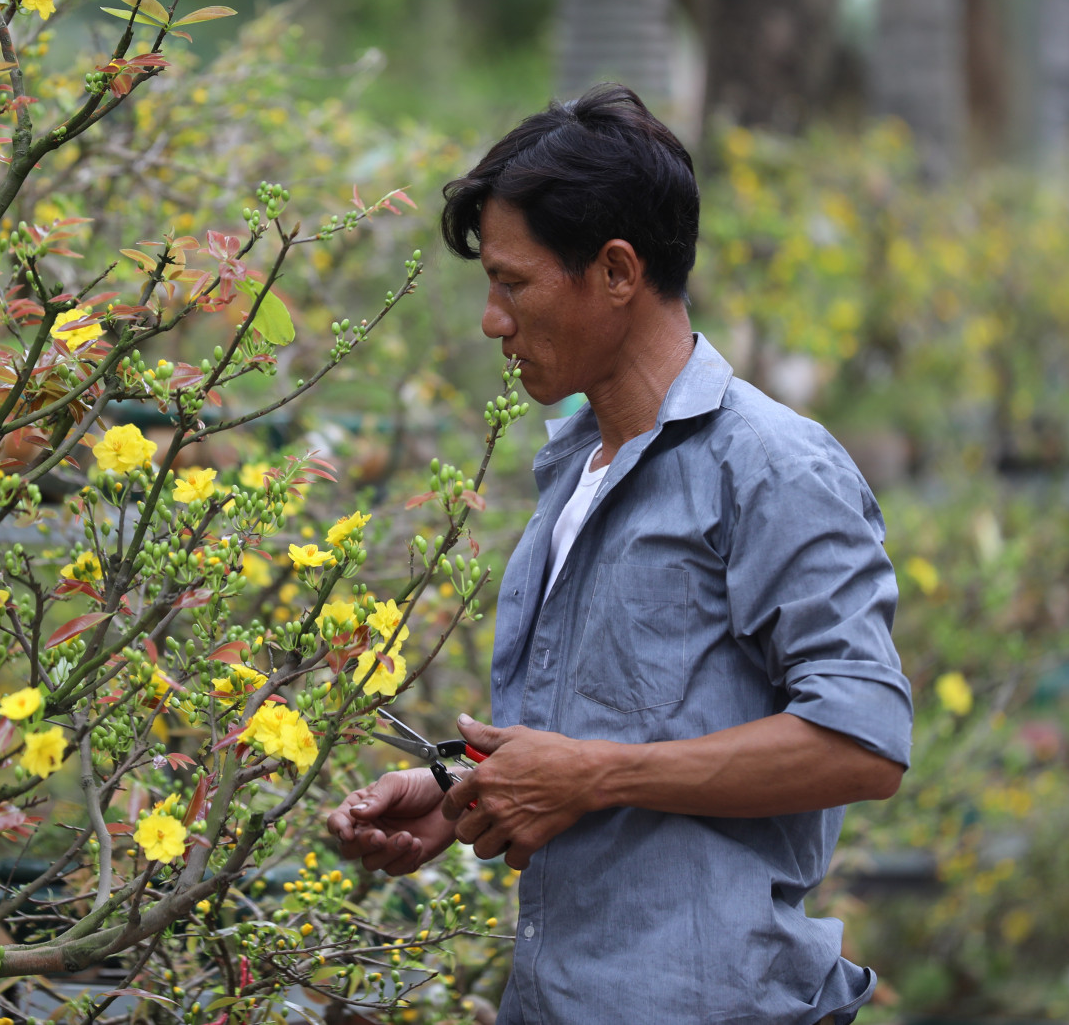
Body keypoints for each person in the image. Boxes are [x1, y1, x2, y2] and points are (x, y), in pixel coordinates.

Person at [326, 86, 913, 1025]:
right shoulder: (575, 468)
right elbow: (591, 731)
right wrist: (453, 792)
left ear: (615, 271)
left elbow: (862, 741)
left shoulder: (770, 464)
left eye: (513, 283)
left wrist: (593, 774)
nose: (491, 321)